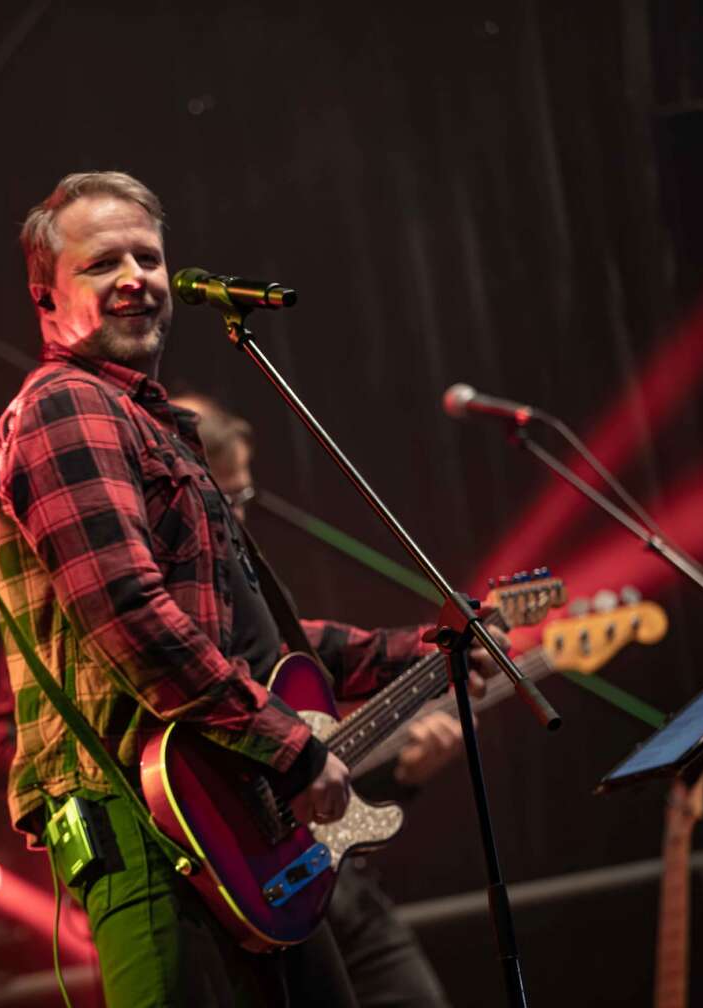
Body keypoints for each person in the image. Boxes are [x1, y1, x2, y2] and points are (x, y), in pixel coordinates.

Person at [0, 170, 504, 1006]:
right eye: (101, 262)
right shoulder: (67, 408)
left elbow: (251, 637)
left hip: (226, 823)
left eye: (147, 257)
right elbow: (133, 621)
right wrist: (294, 753)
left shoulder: (146, 424)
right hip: (149, 826)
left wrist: (421, 650)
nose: (134, 278)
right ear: (46, 298)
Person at [172, 392, 460, 1007]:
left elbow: (312, 652)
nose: (241, 519)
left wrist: (435, 651)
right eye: (231, 499)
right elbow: (7, 744)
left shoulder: (238, 589)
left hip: (335, 881)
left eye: (245, 498)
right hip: (231, 888)